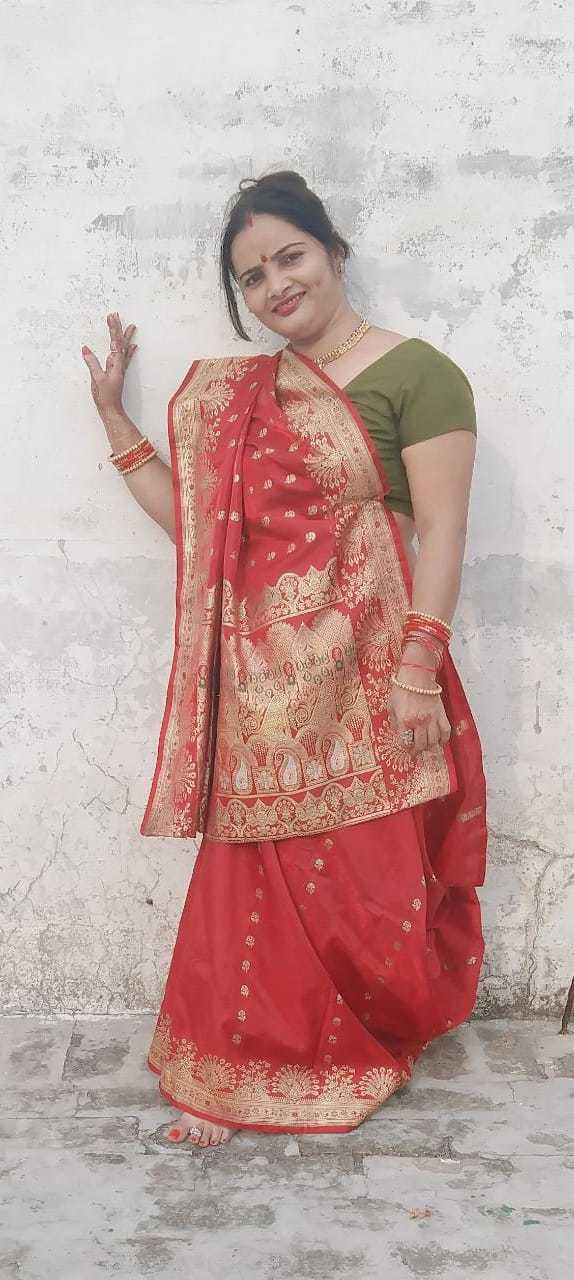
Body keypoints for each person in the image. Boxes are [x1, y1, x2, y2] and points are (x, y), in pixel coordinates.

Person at [82, 170, 487, 1149]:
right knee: (253, 889)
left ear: (334, 252)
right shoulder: (240, 399)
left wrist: (418, 670)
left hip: (376, 677)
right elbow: (201, 535)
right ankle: (246, 1059)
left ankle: (348, 1044)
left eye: (290, 257)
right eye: (252, 277)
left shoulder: (420, 374)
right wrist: (118, 423)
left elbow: (442, 532)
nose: (275, 286)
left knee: (369, 895)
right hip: (266, 699)